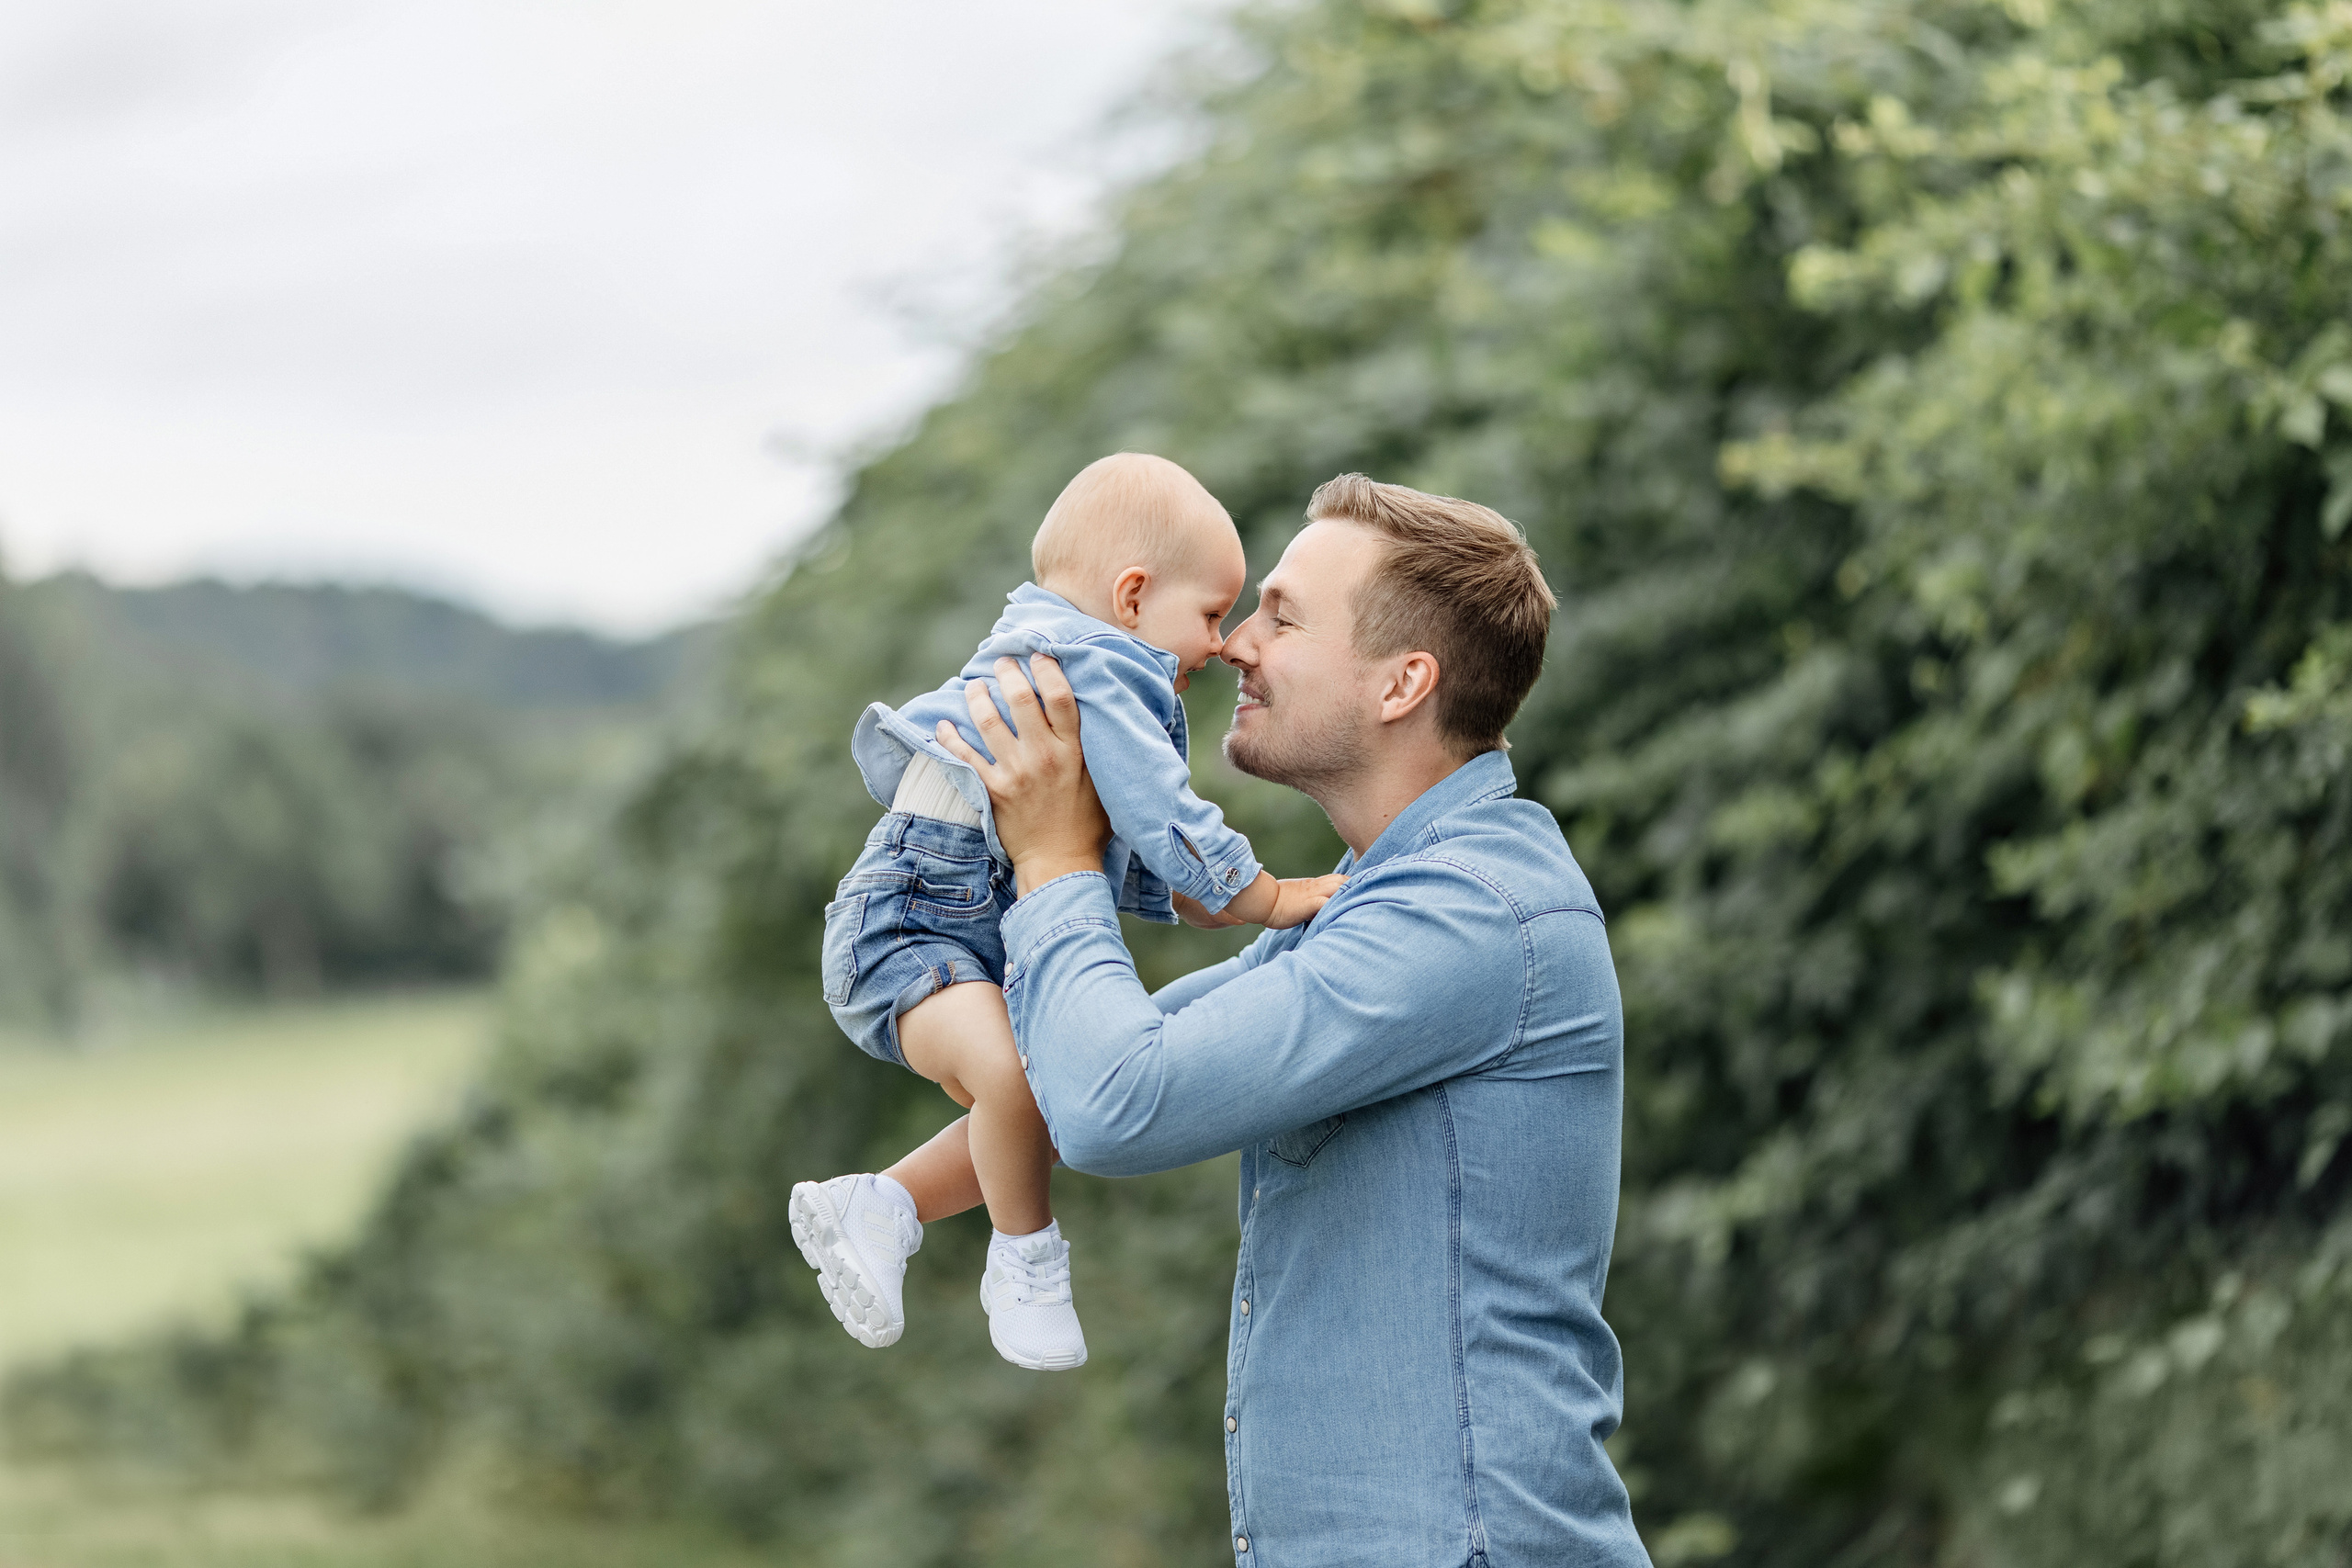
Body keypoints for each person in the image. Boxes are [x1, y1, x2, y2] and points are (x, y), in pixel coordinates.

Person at [933, 475, 1650, 1565]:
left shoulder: (1467, 914)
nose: (1234, 646)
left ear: (1404, 682)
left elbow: (1118, 1105)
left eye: (1281, 614)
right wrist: (892, 1186)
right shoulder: (1373, 901)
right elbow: (1082, 1068)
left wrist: (1053, 855)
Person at [789, 453, 1343, 1372]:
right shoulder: (1100, 665)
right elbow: (1165, 816)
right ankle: (1026, 1261)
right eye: (1209, 614)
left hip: (943, 916)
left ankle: (880, 1207)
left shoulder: (1068, 650)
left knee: (1050, 1086)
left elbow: (1102, 832)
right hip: (911, 924)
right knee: (1017, 1077)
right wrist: (1268, 895)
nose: (1220, 644)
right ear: (1132, 596)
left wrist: (1207, 900)